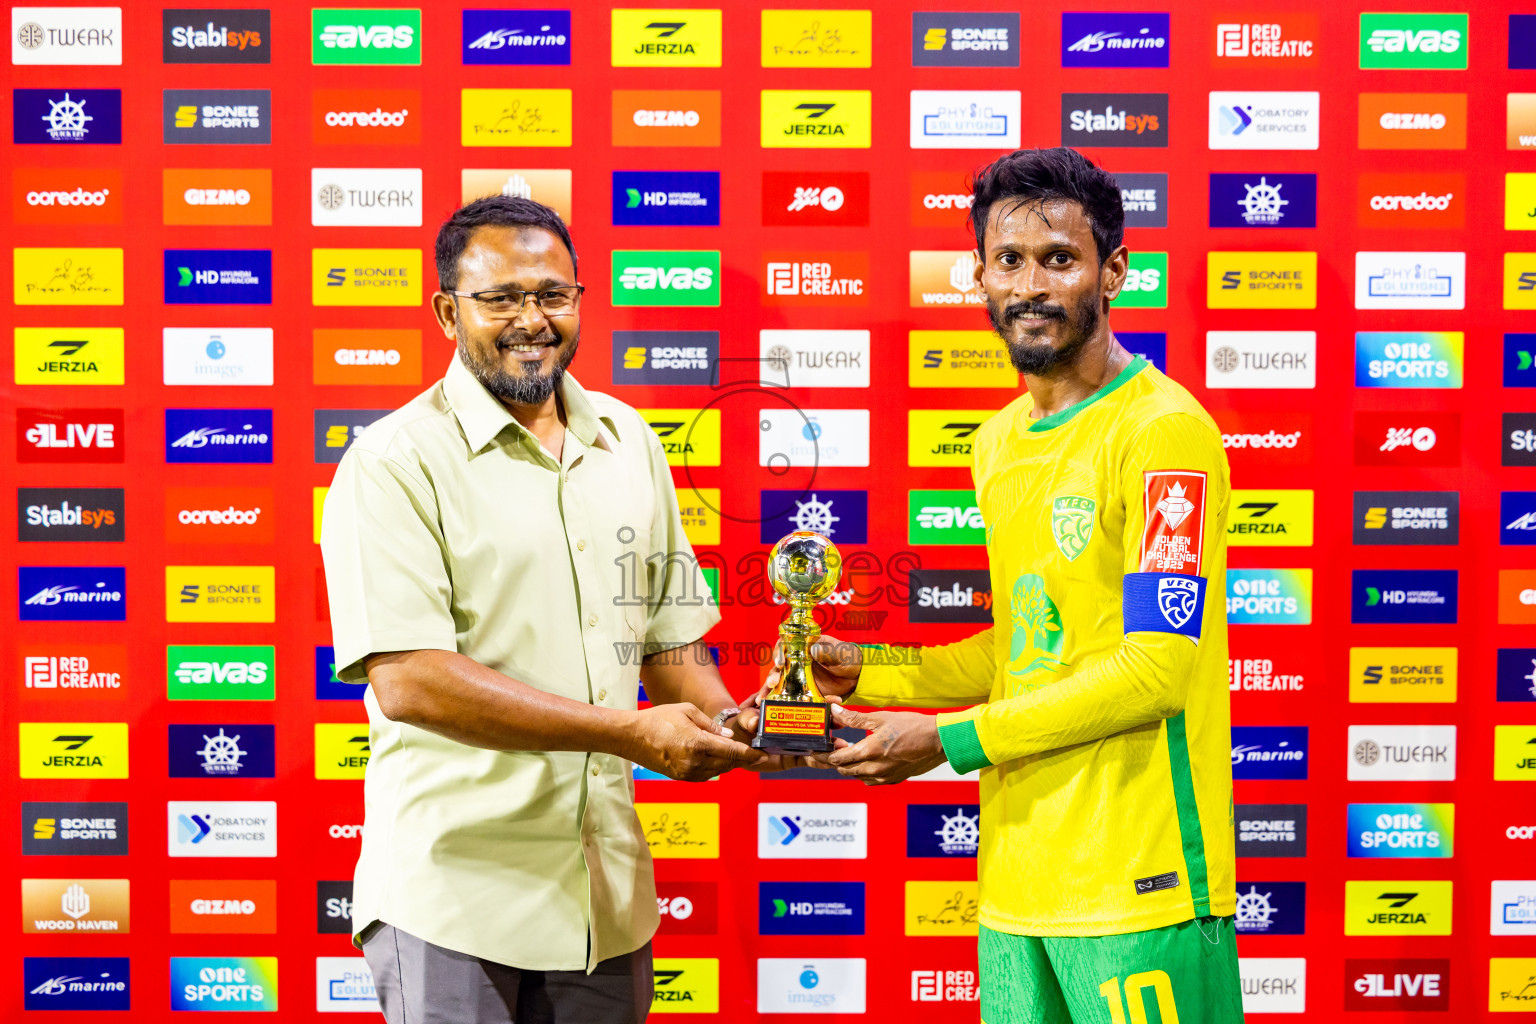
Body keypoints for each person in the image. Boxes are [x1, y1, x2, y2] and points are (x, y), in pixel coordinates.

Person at [794, 148, 1243, 1023]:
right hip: (1013, 885)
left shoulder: (1164, 434)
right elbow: (1034, 644)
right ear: (979, 275)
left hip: (1137, 886)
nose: (1030, 286)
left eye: (1060, 259)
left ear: (1115, 271)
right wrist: (871, 674)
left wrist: (950, 742)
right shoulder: (995, 442)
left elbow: (1154, 667)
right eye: (1008, 262)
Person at [320, 194, 774, 1024]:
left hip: (606, 901)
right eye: (500, 298)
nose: (532, 319)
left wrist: (735, 723)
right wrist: (631, 735)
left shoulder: (630, 440)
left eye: (552, 294)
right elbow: (411, 681)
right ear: (446, 311)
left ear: (581, 301)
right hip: (455, 901)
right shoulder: (391, 461)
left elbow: (668, 643)